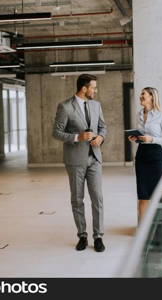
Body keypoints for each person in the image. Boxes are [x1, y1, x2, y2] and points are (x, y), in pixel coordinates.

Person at [52, 74, 107, 252]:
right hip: (75, 160)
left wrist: (100, 137)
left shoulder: (96, 105)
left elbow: (103, 127)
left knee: (97, 198)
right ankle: (82, 235)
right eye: (93, 87)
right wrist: (78, 137)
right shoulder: (65, 107)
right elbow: (56, 132)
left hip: (95, 158)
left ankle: (98, 236)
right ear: (84, 88)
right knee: (77, 199)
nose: (95, 91)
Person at [128, 87, 162, 222]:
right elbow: (141, 135)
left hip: (156, 157)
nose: (140, 96)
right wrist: (135, 139)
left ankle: (158, 227)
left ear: (152, 97)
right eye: (141, 94)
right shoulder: (139, 114)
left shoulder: (161, 116)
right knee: (142, 195)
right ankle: (142, 229)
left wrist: (151, 139)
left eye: (143, 94)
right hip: (142, 155)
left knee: (157, 196)